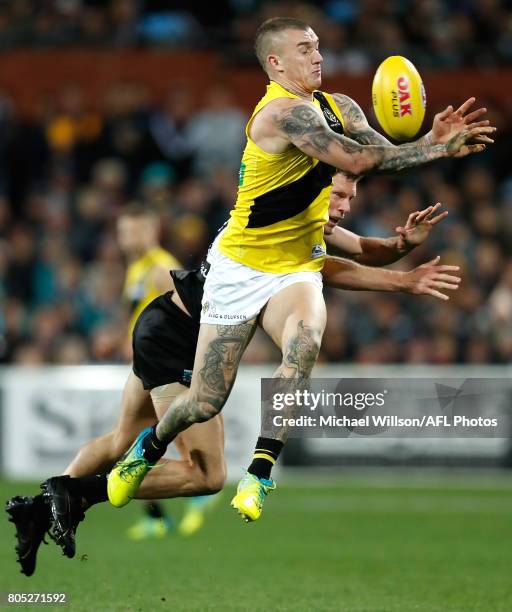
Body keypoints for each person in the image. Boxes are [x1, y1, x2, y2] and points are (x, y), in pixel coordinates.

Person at [105, 16, 494, 516]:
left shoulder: (341, 106)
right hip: (240, 266)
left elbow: (375, 153)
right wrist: (434, 148)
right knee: (203, 402)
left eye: (318, 47)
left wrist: (428, 141)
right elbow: (354, 162)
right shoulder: (281, 115)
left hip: (297, 265)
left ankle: (260, 472)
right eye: (305, 49)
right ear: (275, 62)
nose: (318, 56)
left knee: (305, 341)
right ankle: (149, 447)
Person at [6, 171, 461, 576]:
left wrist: (401, 256)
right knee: (206, 475)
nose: (343, 208)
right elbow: (333, 264)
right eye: (338, 195)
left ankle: (44, 506)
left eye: (350, 199)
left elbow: (351, 253)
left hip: (164, 324)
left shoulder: (302, 225)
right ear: (313, 189)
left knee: (118, 439)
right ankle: (75, 498)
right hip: (181, 339)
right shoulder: (279, 215)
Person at [117, 205, 219, 538]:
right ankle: (163, 512)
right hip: (146, 363)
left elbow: (189, 313)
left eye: (134, 231)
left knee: (139, 440)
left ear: (151, 232)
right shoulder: (137, 269)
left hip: (164, 364)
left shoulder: (161, 268)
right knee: (143, 438)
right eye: (123, 232)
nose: (127, 239)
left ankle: (190, 495)